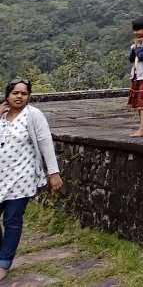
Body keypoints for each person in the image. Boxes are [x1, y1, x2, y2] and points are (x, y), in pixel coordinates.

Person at [0, 79, 63, 281]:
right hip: (0, 177)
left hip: (21, 178)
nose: (19, 96)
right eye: (15, 93)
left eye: (23, 93)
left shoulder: (33, 115)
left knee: (12, 220)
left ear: (28, 96)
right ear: (7, 95)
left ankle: (3, 263)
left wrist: (53, 172)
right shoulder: (1, 115)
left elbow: (45, 142)